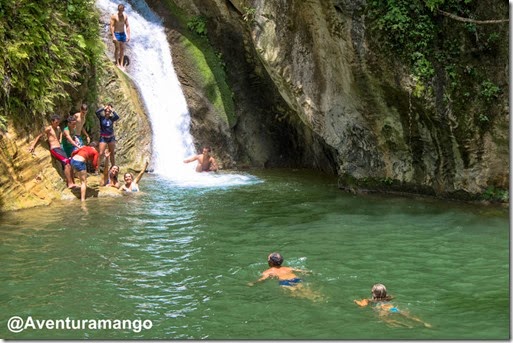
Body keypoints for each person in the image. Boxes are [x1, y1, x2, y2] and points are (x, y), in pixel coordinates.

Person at [28, 114, 76, 188]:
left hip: (60, 148)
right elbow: (39, 135)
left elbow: (60, 133)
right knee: (66, 163)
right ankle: (69, 184)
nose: (57, 124)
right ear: (52, 122)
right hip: (54, 149)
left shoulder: (58, 128)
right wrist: (32, 145)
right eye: (56, 122)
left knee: (69, 162)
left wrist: (60, 139)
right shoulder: (49, 129)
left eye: (58, 122)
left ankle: (73, 182)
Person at [248, 252, 321, 301]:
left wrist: (253, 283)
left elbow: (262, 279)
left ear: (270, 262)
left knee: (300, 295)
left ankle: (313, 300)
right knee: (307, 291)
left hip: (285, 282)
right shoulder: (287, 268)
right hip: (297, 279)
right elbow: (301, 271)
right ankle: (318, 297)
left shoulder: (269, 271)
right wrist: (310, 272)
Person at [354, 283, 432, 328]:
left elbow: (362, 305)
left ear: (373, 293)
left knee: (386, 320)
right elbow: (392, 297)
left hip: (381, 308)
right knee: (404, 314)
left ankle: (404, 325)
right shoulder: (388, 298)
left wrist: (356, 301)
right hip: (390, 307)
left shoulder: (369, 300)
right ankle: (423, 322)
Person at [110, 3, 130, 70]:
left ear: (123, 9)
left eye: (122, 9)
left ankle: (121, 64)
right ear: (118, 9)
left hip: (123, 34)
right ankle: (117, 63)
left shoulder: (125, 16)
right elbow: (112, 26)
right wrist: (113, 36)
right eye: (120, 9)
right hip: (117, 33)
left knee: (122, 49)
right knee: (117, 48)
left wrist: (128, 35)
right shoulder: (114, 16)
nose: (121, 10)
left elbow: (127, 26)